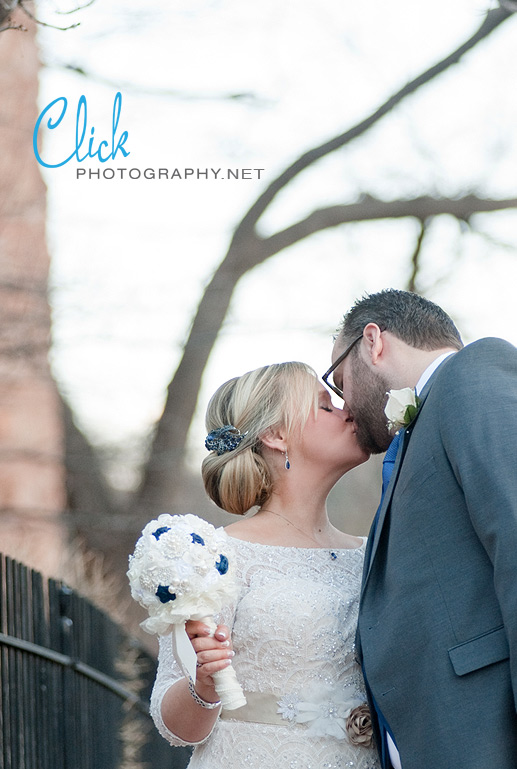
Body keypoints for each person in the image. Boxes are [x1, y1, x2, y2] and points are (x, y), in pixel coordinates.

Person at [150, 361, 380, 769]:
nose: (349, 411)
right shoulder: (215, 557)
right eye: (326, 407)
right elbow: (175, 727)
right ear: (275, 435)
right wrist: (205, 684)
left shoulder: (372, 551)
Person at [323, 288, 517, 769]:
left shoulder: (474, 376)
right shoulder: (425, 421)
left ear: (374, 342)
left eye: (340, 379)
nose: (343, 402)